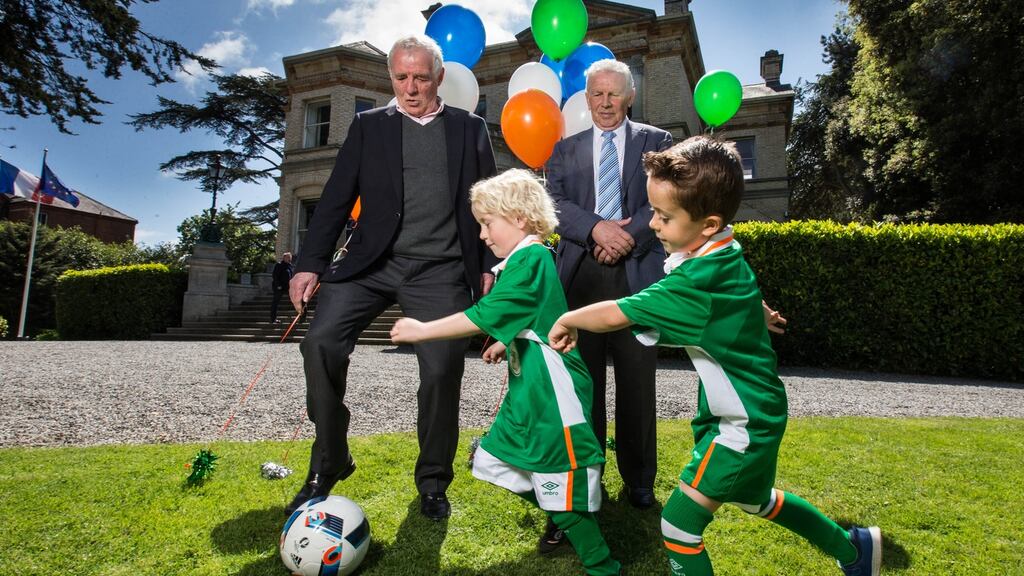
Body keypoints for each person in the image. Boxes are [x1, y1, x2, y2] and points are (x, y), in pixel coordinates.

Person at [547, 136, 882, 576]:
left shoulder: (696, 282)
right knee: (756, 500)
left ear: (708, 223)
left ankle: (854, 552)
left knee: (679, 527)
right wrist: (756, 311)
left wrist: (568, 318)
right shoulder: (721, 247)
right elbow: (738, 285)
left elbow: (616, 313)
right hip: (752, 411)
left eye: (664, 218)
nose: (653, 226)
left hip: (742, 425)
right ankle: (855, 550)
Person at [286, 34, 497, 520]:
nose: (410, 87)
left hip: (441, 270)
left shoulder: (470, 129)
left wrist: (488, 266)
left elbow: (489, 206)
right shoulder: (367, 127)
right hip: (370, 265)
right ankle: (331, 457)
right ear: (391, 78)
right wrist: (309, 265)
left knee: (443, 371)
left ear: (439, 78)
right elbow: (336, 197)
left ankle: (433, 481)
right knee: (320, 344)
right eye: (401, 77)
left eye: (421, 77)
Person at [391, 169, 620, 575]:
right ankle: (568, 507)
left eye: (487, 223)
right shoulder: (524, 259)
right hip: (528, 390)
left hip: (552, 395)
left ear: (518, 218)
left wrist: (424, 330)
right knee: (495, 461)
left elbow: (491, 312)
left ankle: (601, 563)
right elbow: (532, 312)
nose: (482, 235)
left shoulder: (531, 256)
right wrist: (505, 339)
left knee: (554, 477)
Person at [544, 59, 673, 513]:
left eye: (613, 94)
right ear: (586, 97)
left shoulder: (657, 142)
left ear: (629, 96)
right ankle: (589, 475)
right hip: (580, 281)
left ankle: (640, 482)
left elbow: (665, 202)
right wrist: (598, 230)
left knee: (638, 386)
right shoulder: (564, 150)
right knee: (585, 387)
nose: (604, 103)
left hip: (637, 277)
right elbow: (554, 204)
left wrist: (624, 238)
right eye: (596, 94)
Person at [270, 252, 293, 323]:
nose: (288, 259)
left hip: (287, 287)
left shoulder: (289, 266)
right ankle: (273, 319)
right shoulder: (279, 265)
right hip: (279, 287)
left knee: (295, 299)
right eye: (287, 257)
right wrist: (278, 285)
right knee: (275, 302)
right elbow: (275, 276)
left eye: (289, 257)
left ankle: (297, 316)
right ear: (283, 258)